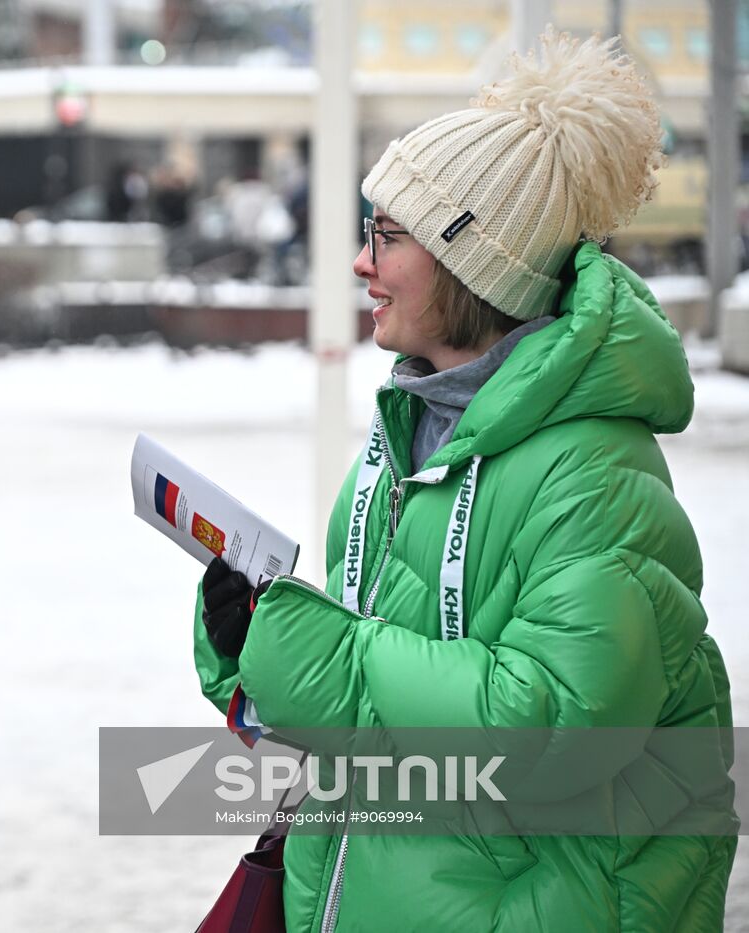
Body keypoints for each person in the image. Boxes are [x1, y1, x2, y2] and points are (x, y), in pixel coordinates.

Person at [193, 32, 735, 931]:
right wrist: (251, 654)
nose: (361, 263)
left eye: (387, 236)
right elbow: (371, 715)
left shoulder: (593, 476)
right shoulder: (411, 433)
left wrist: (318, 651)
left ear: (471, 262)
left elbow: (551, 727)